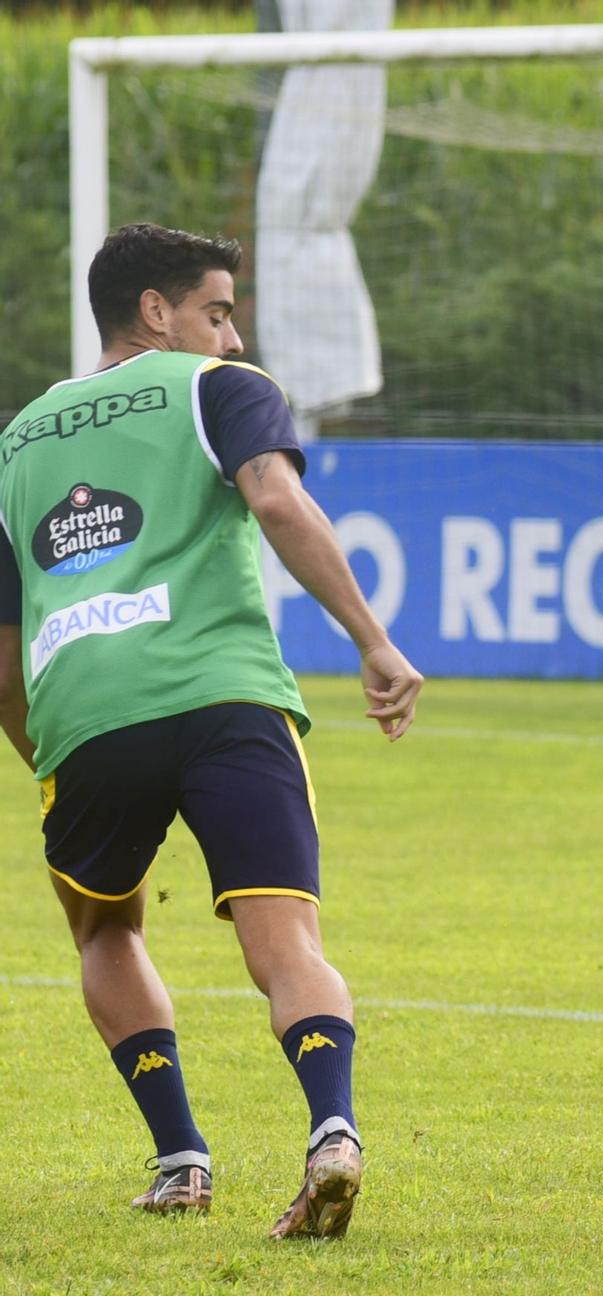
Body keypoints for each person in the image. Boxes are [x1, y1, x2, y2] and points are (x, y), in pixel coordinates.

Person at [0, 223, 423, 1240]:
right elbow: (276, 500)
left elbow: (1, 638)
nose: (232, 338)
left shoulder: (13, 444)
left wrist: (44, 749)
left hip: (86, 714)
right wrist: (373, 641)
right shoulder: (217, 391)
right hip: (227, 697)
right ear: (157, 311)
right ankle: (331, 1131)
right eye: (218, 311)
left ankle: (181, 1158)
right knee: (287, 942)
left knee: (106, 925)